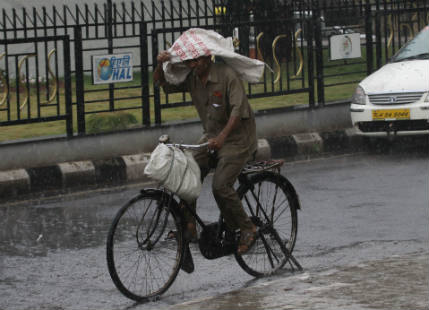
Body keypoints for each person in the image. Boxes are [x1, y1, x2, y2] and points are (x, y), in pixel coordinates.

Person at [154, 51, 258, 255]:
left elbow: (238, 110)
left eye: (197, 59)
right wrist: (160, 64)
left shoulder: (227, 75)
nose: (193, 64)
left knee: (220, 186)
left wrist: (222, 138)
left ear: (208, 58)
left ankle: (247, 228)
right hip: (211, 137)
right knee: (186, 173)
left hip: (237, 140)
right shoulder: (192, 79)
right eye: (190, 61)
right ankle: (190, 226)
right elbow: (163, 85)